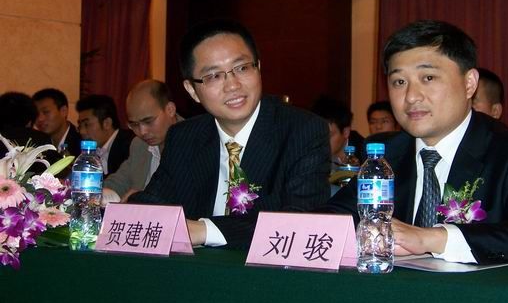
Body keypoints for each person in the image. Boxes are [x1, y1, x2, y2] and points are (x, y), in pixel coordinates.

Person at [327, 20, 508, 264]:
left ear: (469, 83)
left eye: (428, 77)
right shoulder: (385, 154)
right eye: (399, 82)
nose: (411, 97)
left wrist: (433, 239)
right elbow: (332, 219)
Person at [130, 19, 331, 248]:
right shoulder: (183, 137)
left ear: (258, 68)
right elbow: (155, 202)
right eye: (213, 76)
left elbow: (301, 222)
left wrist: (205, 231)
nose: (233, 85)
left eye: (242, 68)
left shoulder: (302, 131)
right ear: (192, 90)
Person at [102, 80, 181, 204]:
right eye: (134, 124)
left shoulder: (194, 141)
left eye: (148, 121)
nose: (142, 132)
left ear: (170, 110)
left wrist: (142, 197)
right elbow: (119, 181)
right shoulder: (139, 144)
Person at [76, 94, 134, 177]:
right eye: (80, 125)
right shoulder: (87, 150)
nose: (82, 131)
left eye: (86, 124)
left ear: (107, 123)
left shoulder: (129, 147)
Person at [33, 88, 82, 157]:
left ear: (63, 111)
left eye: (46, 112)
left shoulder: (80, 144)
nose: (40, 119)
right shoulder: (36, 144)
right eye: (36, 114)